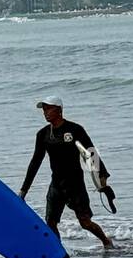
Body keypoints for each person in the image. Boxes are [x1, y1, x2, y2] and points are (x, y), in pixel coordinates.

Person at [20, 96, 114, 249]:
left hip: (75, 184)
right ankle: (59, 252)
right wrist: (24, 190)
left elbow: (91, 152)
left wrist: (102, 176)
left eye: (48, 108)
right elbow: (35, 162)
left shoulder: (75, 130)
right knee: (50, 222)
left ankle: (106, 241)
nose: (45, 112)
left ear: (59, 110)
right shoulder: (42, 134)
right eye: (44, 109)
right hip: (56, 184)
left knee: (85, 223)